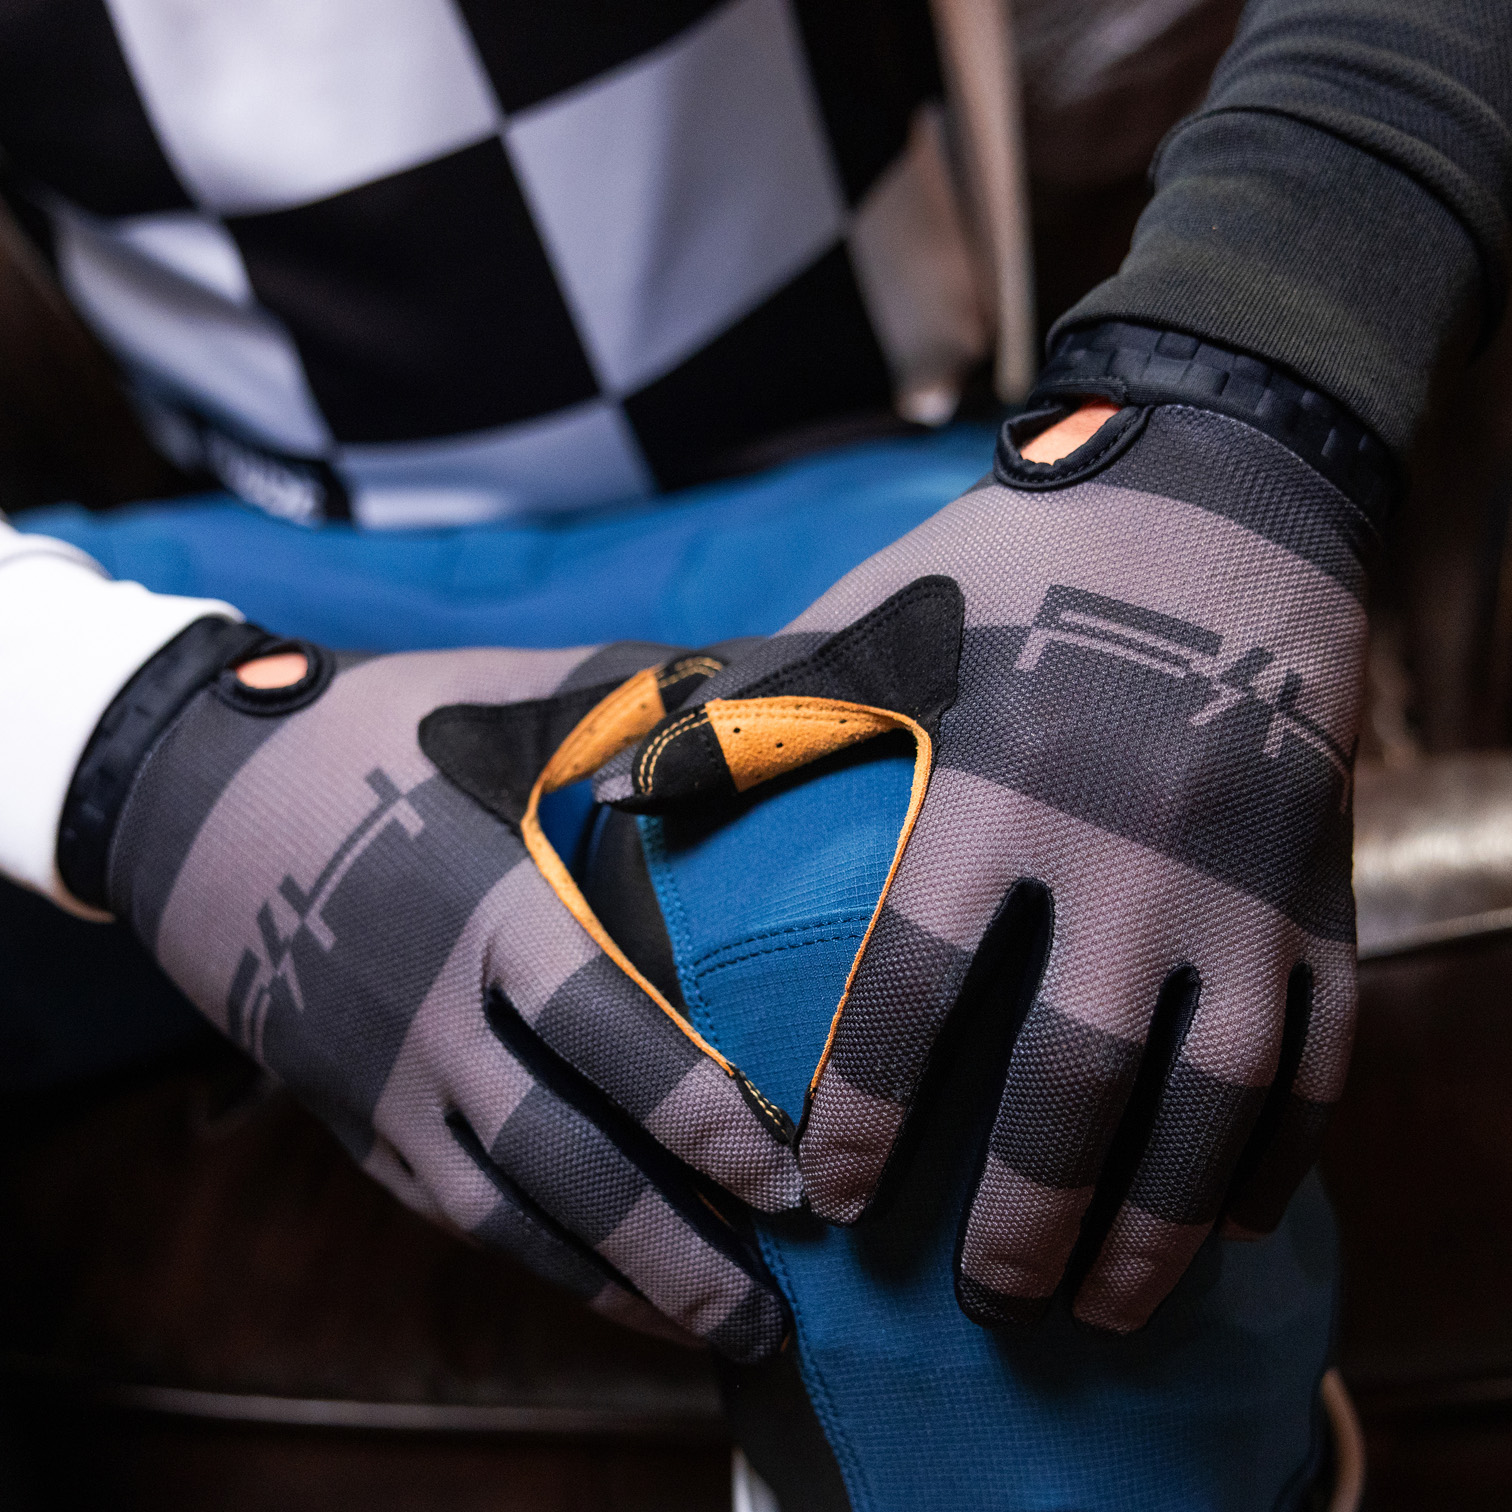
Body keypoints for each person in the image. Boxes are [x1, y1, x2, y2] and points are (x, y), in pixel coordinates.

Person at [1, 0, 1508, 1503]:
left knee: (907, 940)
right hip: (220, 567)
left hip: (848, 482)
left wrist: (1240, 401)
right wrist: (128, 732)